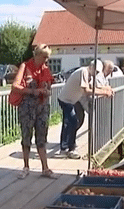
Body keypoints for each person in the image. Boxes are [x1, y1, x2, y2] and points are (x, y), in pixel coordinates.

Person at [12, 44, 56, 179]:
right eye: (44, 57)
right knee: (26, 136)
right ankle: (26, 166)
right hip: (27, 107)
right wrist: (33, 91)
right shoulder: (25, 67)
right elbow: (15, 86)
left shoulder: (46, 69)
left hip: (42, 107)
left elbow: (49, 86)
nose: (46, 60)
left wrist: (46, 91)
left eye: (47, 57)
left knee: (42, 137)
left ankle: (45, 168)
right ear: (37, 55)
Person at [58, 60, 113, 159]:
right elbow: (87, 90)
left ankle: (66, 147)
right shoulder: (84, 71)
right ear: (91, 67)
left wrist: (106, 89)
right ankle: (69, 148)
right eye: (95, 72)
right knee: (73, 121)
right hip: (66, 99)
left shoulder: (89, 75)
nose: (95, 74)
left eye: (97, 73)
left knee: (70, 122)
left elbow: (93, 86)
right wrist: (104, 93)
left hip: (71, 100)